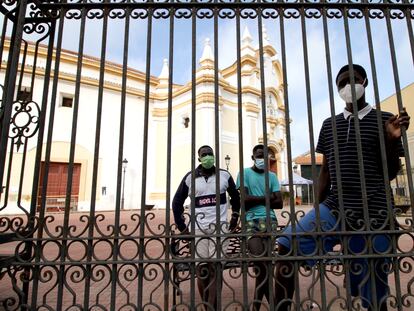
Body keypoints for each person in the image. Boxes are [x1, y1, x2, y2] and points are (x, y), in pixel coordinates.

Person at [275, 64, 410, 311]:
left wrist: (391, 140)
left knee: (373, 285)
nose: (348, 86)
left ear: (365, 81)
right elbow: (325, 171)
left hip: (376, 212)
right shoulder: (329, 125)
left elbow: (391, 173)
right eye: (342, 83)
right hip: (336, 207)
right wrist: (315, 208)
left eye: (353, 80)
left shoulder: (385, 120)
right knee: (286, 247)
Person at [172, 145, 240, 310]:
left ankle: (211, 307)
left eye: (210, 154)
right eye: (204, 154)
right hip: (198, 230)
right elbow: (176, 202)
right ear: (199, 158)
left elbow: (236, 197)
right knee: (202, 271)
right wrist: (183, 228)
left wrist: (235, 217)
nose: (208, 156)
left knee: (215, 269)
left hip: (220, 229)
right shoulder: (190, 178)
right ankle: (208, 306)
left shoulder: (224, 175)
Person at [236, 144, 283, 311]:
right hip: (250, 221)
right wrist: (267, 197)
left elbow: (279, 203)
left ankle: (256, 306)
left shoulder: (272, 176)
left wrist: (256, 198)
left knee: (265, 266)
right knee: (261, 262)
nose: (262, 159)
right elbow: (244, 200)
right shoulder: (244, 174)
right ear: (253, 157)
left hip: (270, 221)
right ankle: (273, 304)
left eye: (264, 156)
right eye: (258, 156)